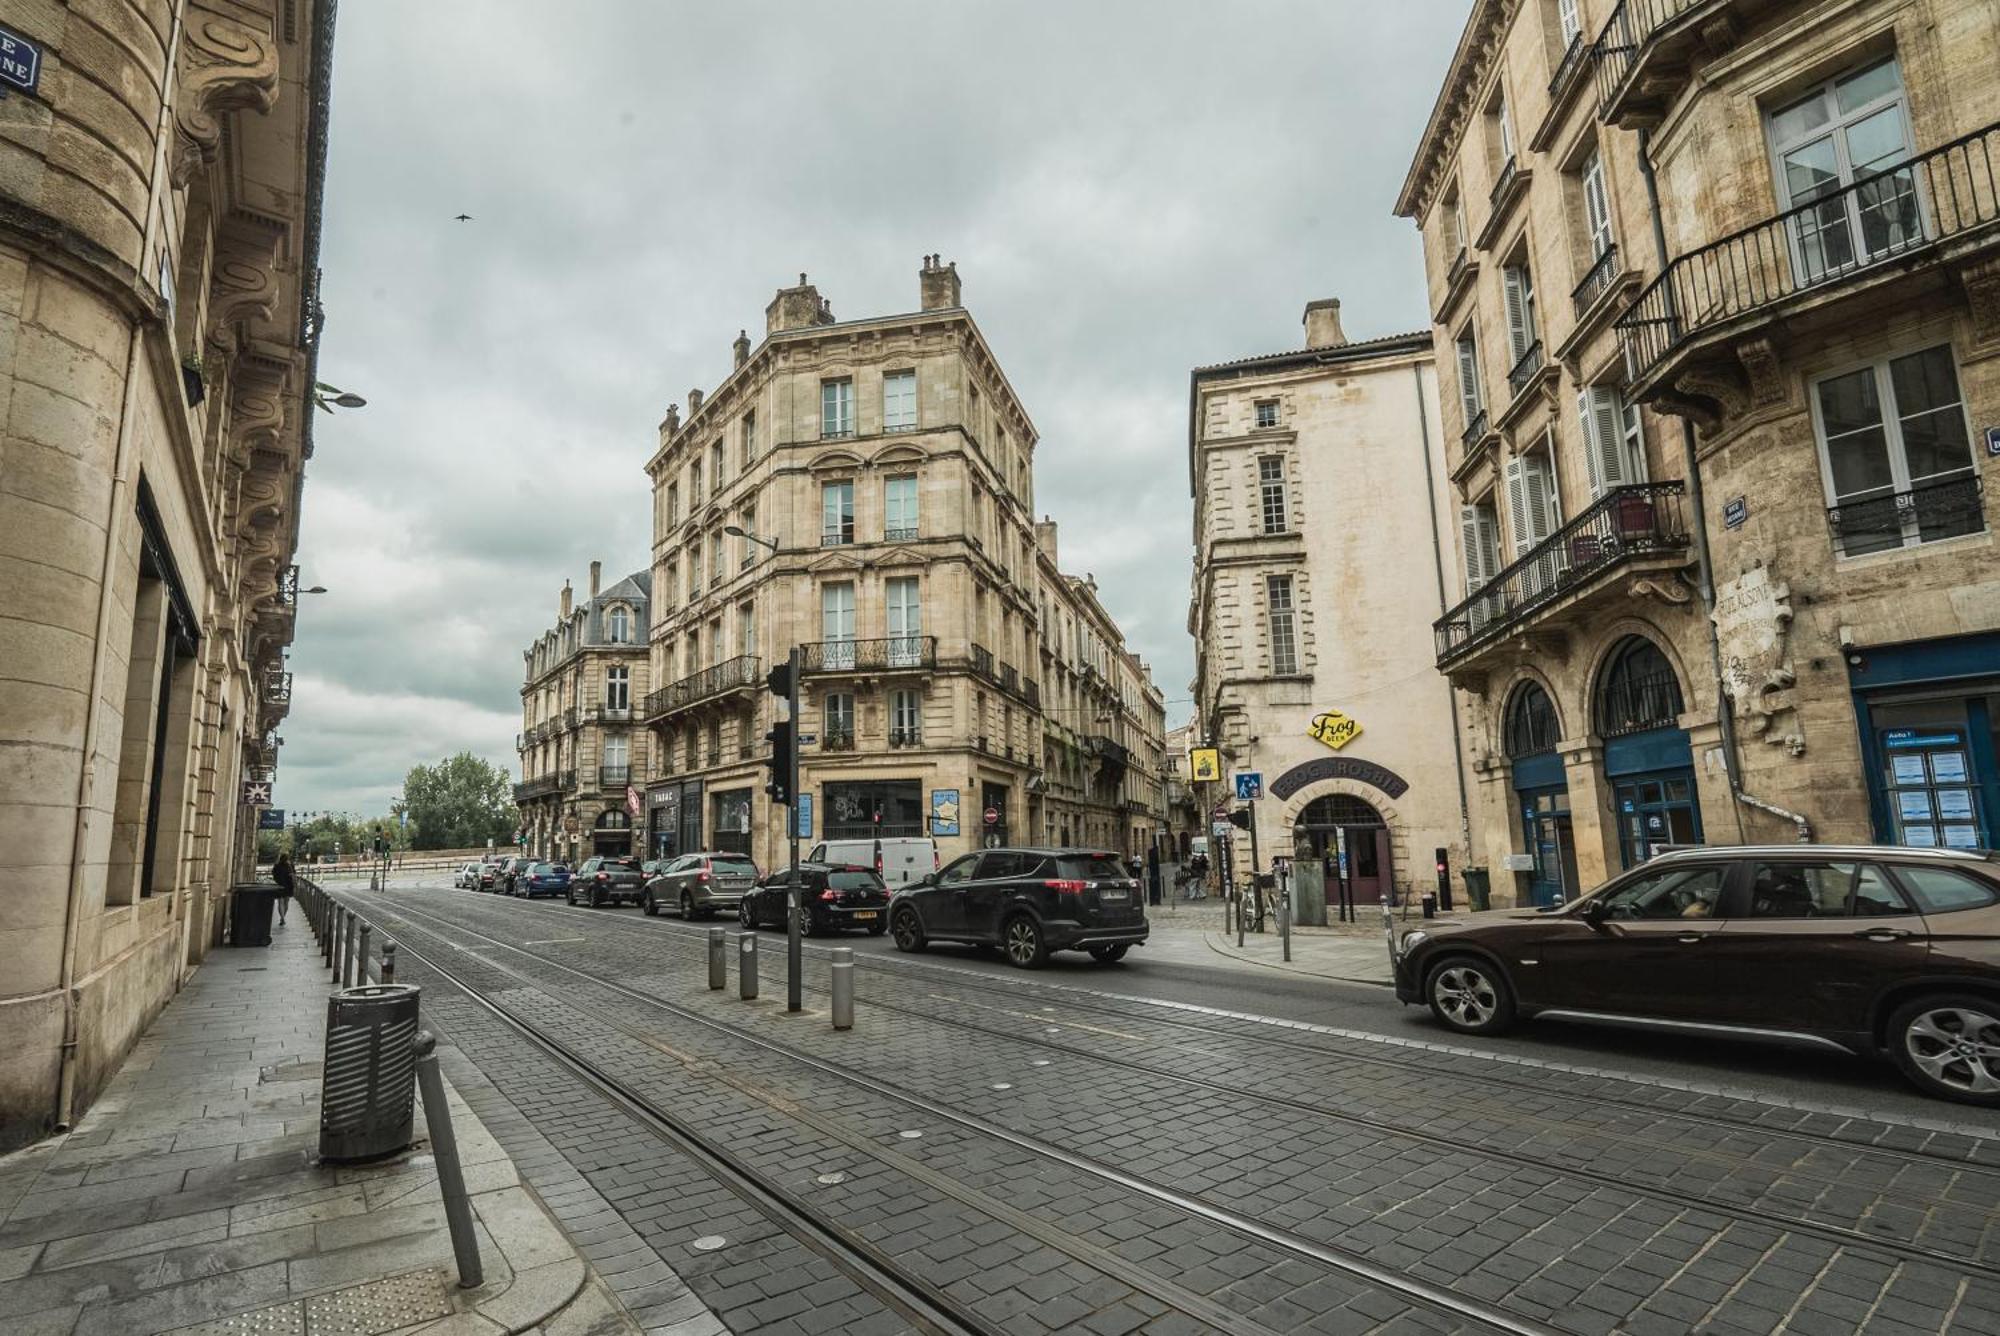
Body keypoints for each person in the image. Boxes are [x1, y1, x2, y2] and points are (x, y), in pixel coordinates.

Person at [271, 851, 294, 925]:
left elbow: (273, 874)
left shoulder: (277, 866)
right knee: (286, 903)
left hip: (279, 885)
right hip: (288, 886)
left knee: (280, 903)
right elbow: (293, 875)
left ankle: (282, 918)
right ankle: (282, 918)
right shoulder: (290, 866)